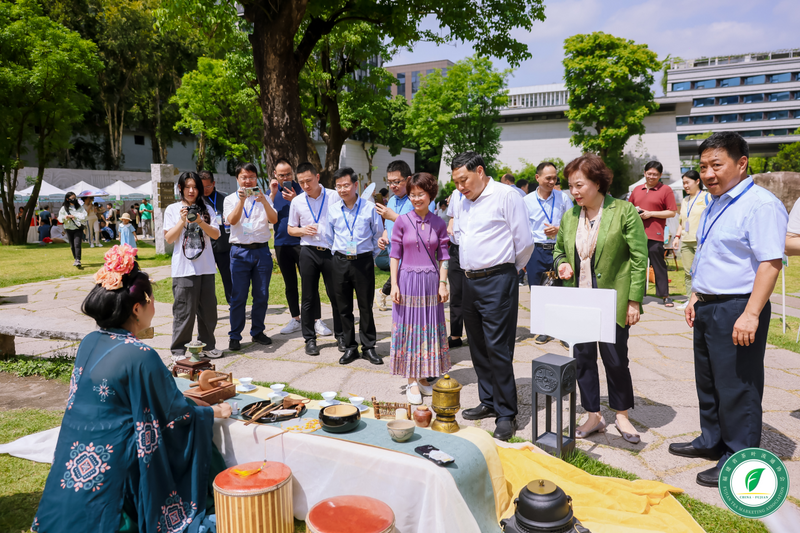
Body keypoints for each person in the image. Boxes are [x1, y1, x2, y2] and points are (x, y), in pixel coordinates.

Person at [31, 244, 231, 533]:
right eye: (153, 301)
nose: (155, 307)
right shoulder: (140, 355)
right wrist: (211, 412)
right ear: (137, 308)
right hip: (117, 463)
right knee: (197, 433)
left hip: (74, 454)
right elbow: (174, 413)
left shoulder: (89, 341)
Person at [669, 132, 788, 488]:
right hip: (708, 305)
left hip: (739, 306)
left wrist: (751, 314)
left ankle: (740, 458)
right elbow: (711, 253)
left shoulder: (760, 204)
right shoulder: (716, 201)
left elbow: (770, 262)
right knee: (709, 381)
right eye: (704, 166)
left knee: (738, 386)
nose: (708, 174)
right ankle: (712, 440)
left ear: (741, 163)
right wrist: (696, 294)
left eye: (716, 165)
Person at [554, 154, 648, 444]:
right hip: (579, 300)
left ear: (597, 182)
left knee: (616, 359)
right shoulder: (570, 216)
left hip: (613, 300)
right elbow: (559, 250)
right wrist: (562, 264)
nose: (574, 191)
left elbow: (639, 257)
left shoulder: (623, 211)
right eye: (570, 186)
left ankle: (622, 414)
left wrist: (634, 300)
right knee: (582, 359)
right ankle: (593, 414)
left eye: (579, 185)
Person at [450, 152, 533, 441]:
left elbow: (524, 242)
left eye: (464, 180)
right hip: (469, 280)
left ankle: (506, 413)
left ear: (480, 171)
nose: (460, 187)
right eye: (456, 182)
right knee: (477, 345)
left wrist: (507, 271)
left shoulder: (507, 196)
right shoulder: (460, 199)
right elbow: (460, 236)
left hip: (498, 279)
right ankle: (488, 400)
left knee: (498, 347)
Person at [390, 172, 450, 404]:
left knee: (428, 328)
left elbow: (444, 257)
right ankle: (411, 379)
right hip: (407, 281)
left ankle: (424, 376)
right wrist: (394, 284)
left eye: (420, 194)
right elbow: (395, 255)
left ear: (430, 194)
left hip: (431, 283)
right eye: (412, 195)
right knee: (409, 328)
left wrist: (443, 283)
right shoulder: (402, 221)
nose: (416, 199)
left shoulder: (439, 223)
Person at [327, 167, 384, 365]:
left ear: (355, 185)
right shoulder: (333, 210)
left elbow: (378, 235)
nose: (342, 189)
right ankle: (350, 347)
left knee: (365, 306)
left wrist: (368, 256)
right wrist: (340, 254)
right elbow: (329, 237)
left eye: (346, 185)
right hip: (340, 262)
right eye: (338, 186)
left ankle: (368, 347)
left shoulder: (369, 208)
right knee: (343, 307)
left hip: (363, 262)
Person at [288, 162, 346, 355]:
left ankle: (341, 336)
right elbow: (291, 229)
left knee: (336, 294)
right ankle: (310, 339)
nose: (306, 185)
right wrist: (302, 230)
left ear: (317, 177)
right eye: (301, 182)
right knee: (308, 296)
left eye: (309, 180)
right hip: (308, 251)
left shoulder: (334, 196)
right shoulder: (297, 201)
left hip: (331, 251)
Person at [165, 171, 222, 360]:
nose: (191, 191)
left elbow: (216, 234)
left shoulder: (207, 208)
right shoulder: (172, 209)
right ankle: (178, 351)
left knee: (209, 312)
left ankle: (207, 346)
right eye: (187, 187)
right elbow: (169, 238)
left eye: (195, 187)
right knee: (184, 312)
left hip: (206, 268)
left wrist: (199, 221)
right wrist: (182, 220)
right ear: (180, 188)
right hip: (184, 270)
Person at [223, 163, 278, 351]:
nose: (248, 181)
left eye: (252, 177)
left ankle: (258, 331)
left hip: (262, 251)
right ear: (237, 179)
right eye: (244, 177)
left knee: (261, 295)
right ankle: (235, 336)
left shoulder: (264, 198)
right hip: (240, 252)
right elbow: (232, 221)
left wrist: (264, 201)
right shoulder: (230, 199)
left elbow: (274, 219)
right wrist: (241, 202)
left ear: (256, 178)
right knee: (238, 296)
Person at [524, 161, 574, 345]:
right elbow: (522, 228)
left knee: (561, 289)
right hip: (536, 251)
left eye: (555, 178)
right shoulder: (527, 201)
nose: (552, 182)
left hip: (558, 250)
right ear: (538, 178)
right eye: (548, 178)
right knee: (538, 291)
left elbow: (573, 222)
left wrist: (559, 229)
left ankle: (563, 331)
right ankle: (544, 330)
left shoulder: (563, 198)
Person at [376, 160, 435, 311]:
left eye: (397, 181)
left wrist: (394, 217)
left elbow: (423, 230)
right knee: (401, 309)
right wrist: (384, 237)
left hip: (416, 265)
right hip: (396, 261)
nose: (392, 186)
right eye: (389, 182)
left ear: (408, 179)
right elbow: (387, 228)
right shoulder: (391, 201)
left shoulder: (419, 200)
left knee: (417, 309)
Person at [270, 158, 316, 336]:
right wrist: (272, 194)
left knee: (309, 282)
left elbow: (313, 210)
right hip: (281, 243)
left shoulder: (302, 189)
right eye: (282, 175)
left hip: (302, 243)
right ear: (275, 174)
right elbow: (266, 215)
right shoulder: (272, 191)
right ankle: (295, 318)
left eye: (288, 174)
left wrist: (295, 199)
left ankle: (315, 319)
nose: (285, 178)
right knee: (290, 284)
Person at [628, 161, 677, 307]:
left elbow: (672, 212)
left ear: (660, 175)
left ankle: (665, 295)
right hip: (636, 234)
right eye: (649, 173)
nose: (651, 176)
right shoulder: (637, 190)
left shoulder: (666, 190)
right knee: (637, 266)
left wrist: (651, 214)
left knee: (658, 265)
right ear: (644, 173)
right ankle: (636, 296)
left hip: (655, 234)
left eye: (655, 174)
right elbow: (629, 208)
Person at [672, 170, 711, 309]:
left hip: (702, 241)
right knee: (688, 273)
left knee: (703, 271)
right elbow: (682, 221)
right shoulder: (685, 200)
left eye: (687, 182)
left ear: (697, 181)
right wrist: (677, 237)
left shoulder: (707, 197)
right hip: (686, 241)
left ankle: (704, 300)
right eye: (683, 183)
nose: (685, 186)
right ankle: (690, 301)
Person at [200, 171, 233, 304]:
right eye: (202, 187)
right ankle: (207, 307)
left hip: (224, 245)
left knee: (228, 278)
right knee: (206, 280)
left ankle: (233, 305)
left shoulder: (224, 199)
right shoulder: (197, 200)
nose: (205, 190)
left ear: (213, 184)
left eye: (208, 186)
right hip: (205, 247)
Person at [445, 190, 466, 349]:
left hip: (474, 249)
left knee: (474, 294)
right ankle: (455, 335)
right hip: (455, 249)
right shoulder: (456, 193)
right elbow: (452, 216)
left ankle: (477, 334)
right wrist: (450, 225)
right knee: (456, 293)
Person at [58, 192, 87, 267]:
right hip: (68, 228)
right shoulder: (64, 208)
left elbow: (85, 216)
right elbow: (60, 218)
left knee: (77, 244)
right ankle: (75, 258)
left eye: (74, 198)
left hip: (77, 228)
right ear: (67, 199)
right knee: (72, 246)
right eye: (72, 198)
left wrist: (75, 216)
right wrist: (65, 217)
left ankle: (78, 259)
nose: (73, 200)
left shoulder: (79, 207)